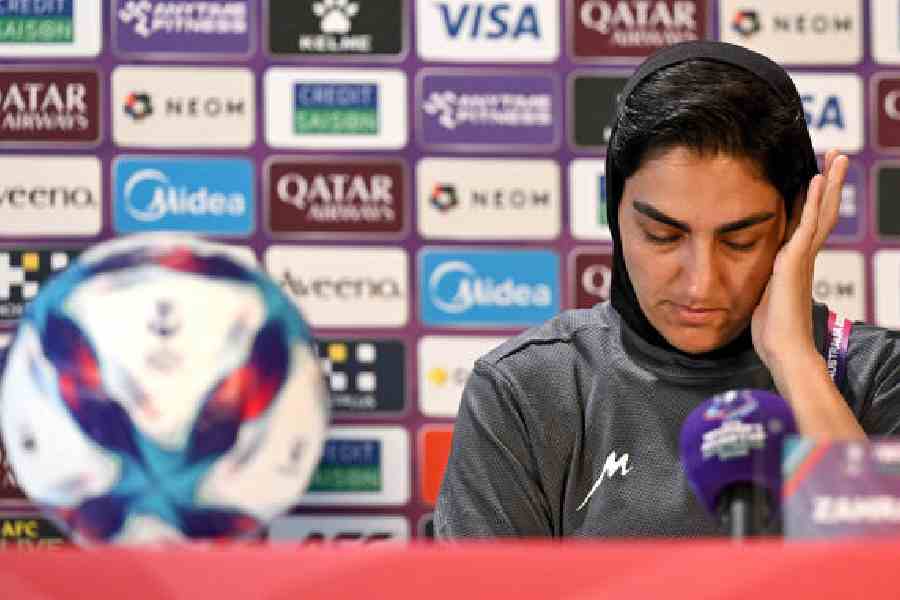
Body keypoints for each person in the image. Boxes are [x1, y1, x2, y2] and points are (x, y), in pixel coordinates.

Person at [434, 41, 900, 538]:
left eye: (740, 241)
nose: (701, 282)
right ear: (615, 212)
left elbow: (880, 569)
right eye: (663, 236)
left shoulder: (874, 375)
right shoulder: (527, 391)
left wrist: (795, 361)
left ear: (792, 225)